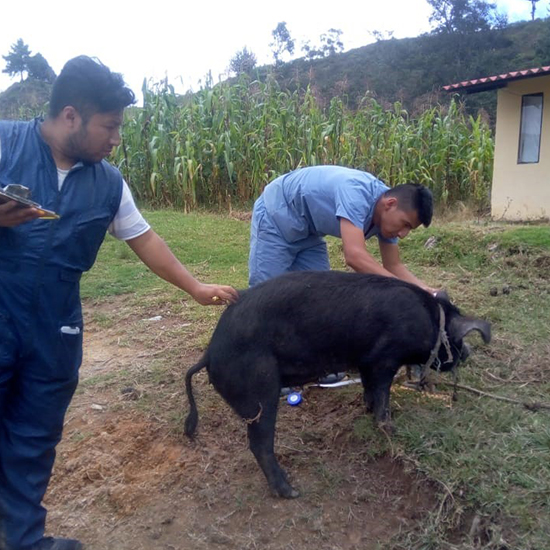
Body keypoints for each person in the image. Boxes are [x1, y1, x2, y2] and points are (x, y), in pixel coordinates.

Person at [0, 56, 238, 550]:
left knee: (34, 435)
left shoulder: (107, 182)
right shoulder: (5, 143)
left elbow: (142, 237)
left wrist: (193, 287)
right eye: (109, 126)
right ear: (71, 116)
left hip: (57, 326)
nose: (115, 138)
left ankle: (24, 539)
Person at [249, 165, 437, 293]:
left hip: (310, 232)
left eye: (409, 229)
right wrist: (403, 289)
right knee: (265, 294)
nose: (403, 234)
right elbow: (354, 256)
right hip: (276, 215)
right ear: (390, 203)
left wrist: (426, 292)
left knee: (318, 295)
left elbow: (393, 266)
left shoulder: (388, 218)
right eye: (405, 224)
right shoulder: (356, 193)